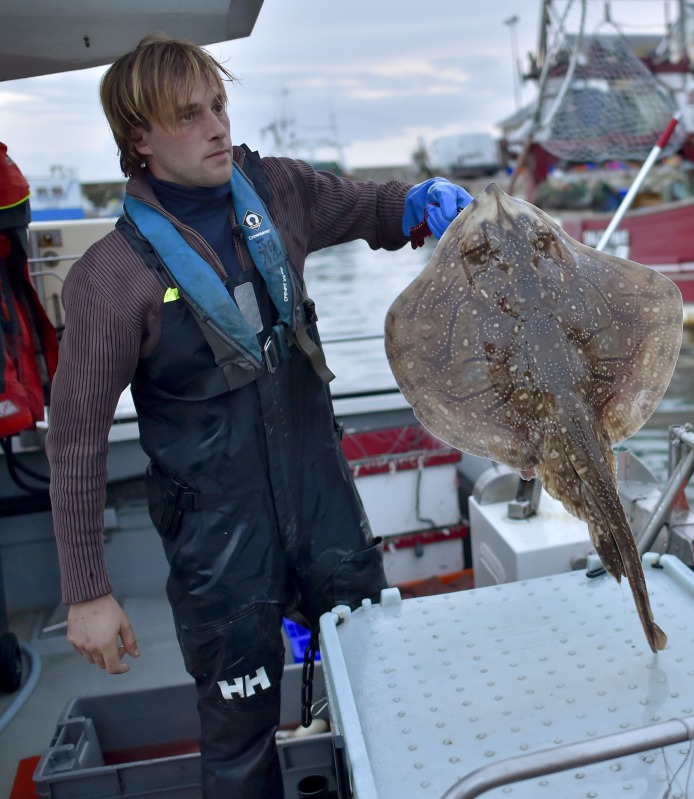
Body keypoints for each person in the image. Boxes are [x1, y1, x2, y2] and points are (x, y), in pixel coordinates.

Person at [45, 34, 472, 798]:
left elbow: (367, 206)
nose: (216, 127)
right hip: (218, 543)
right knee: (240, 741)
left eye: (219, 106)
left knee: (383, 692)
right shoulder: (109, 280)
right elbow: (76, 444)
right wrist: (88, 592)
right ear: (138, 140)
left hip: (324, 504)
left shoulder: (277, 190)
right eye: (188, 115)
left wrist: (415, 201)